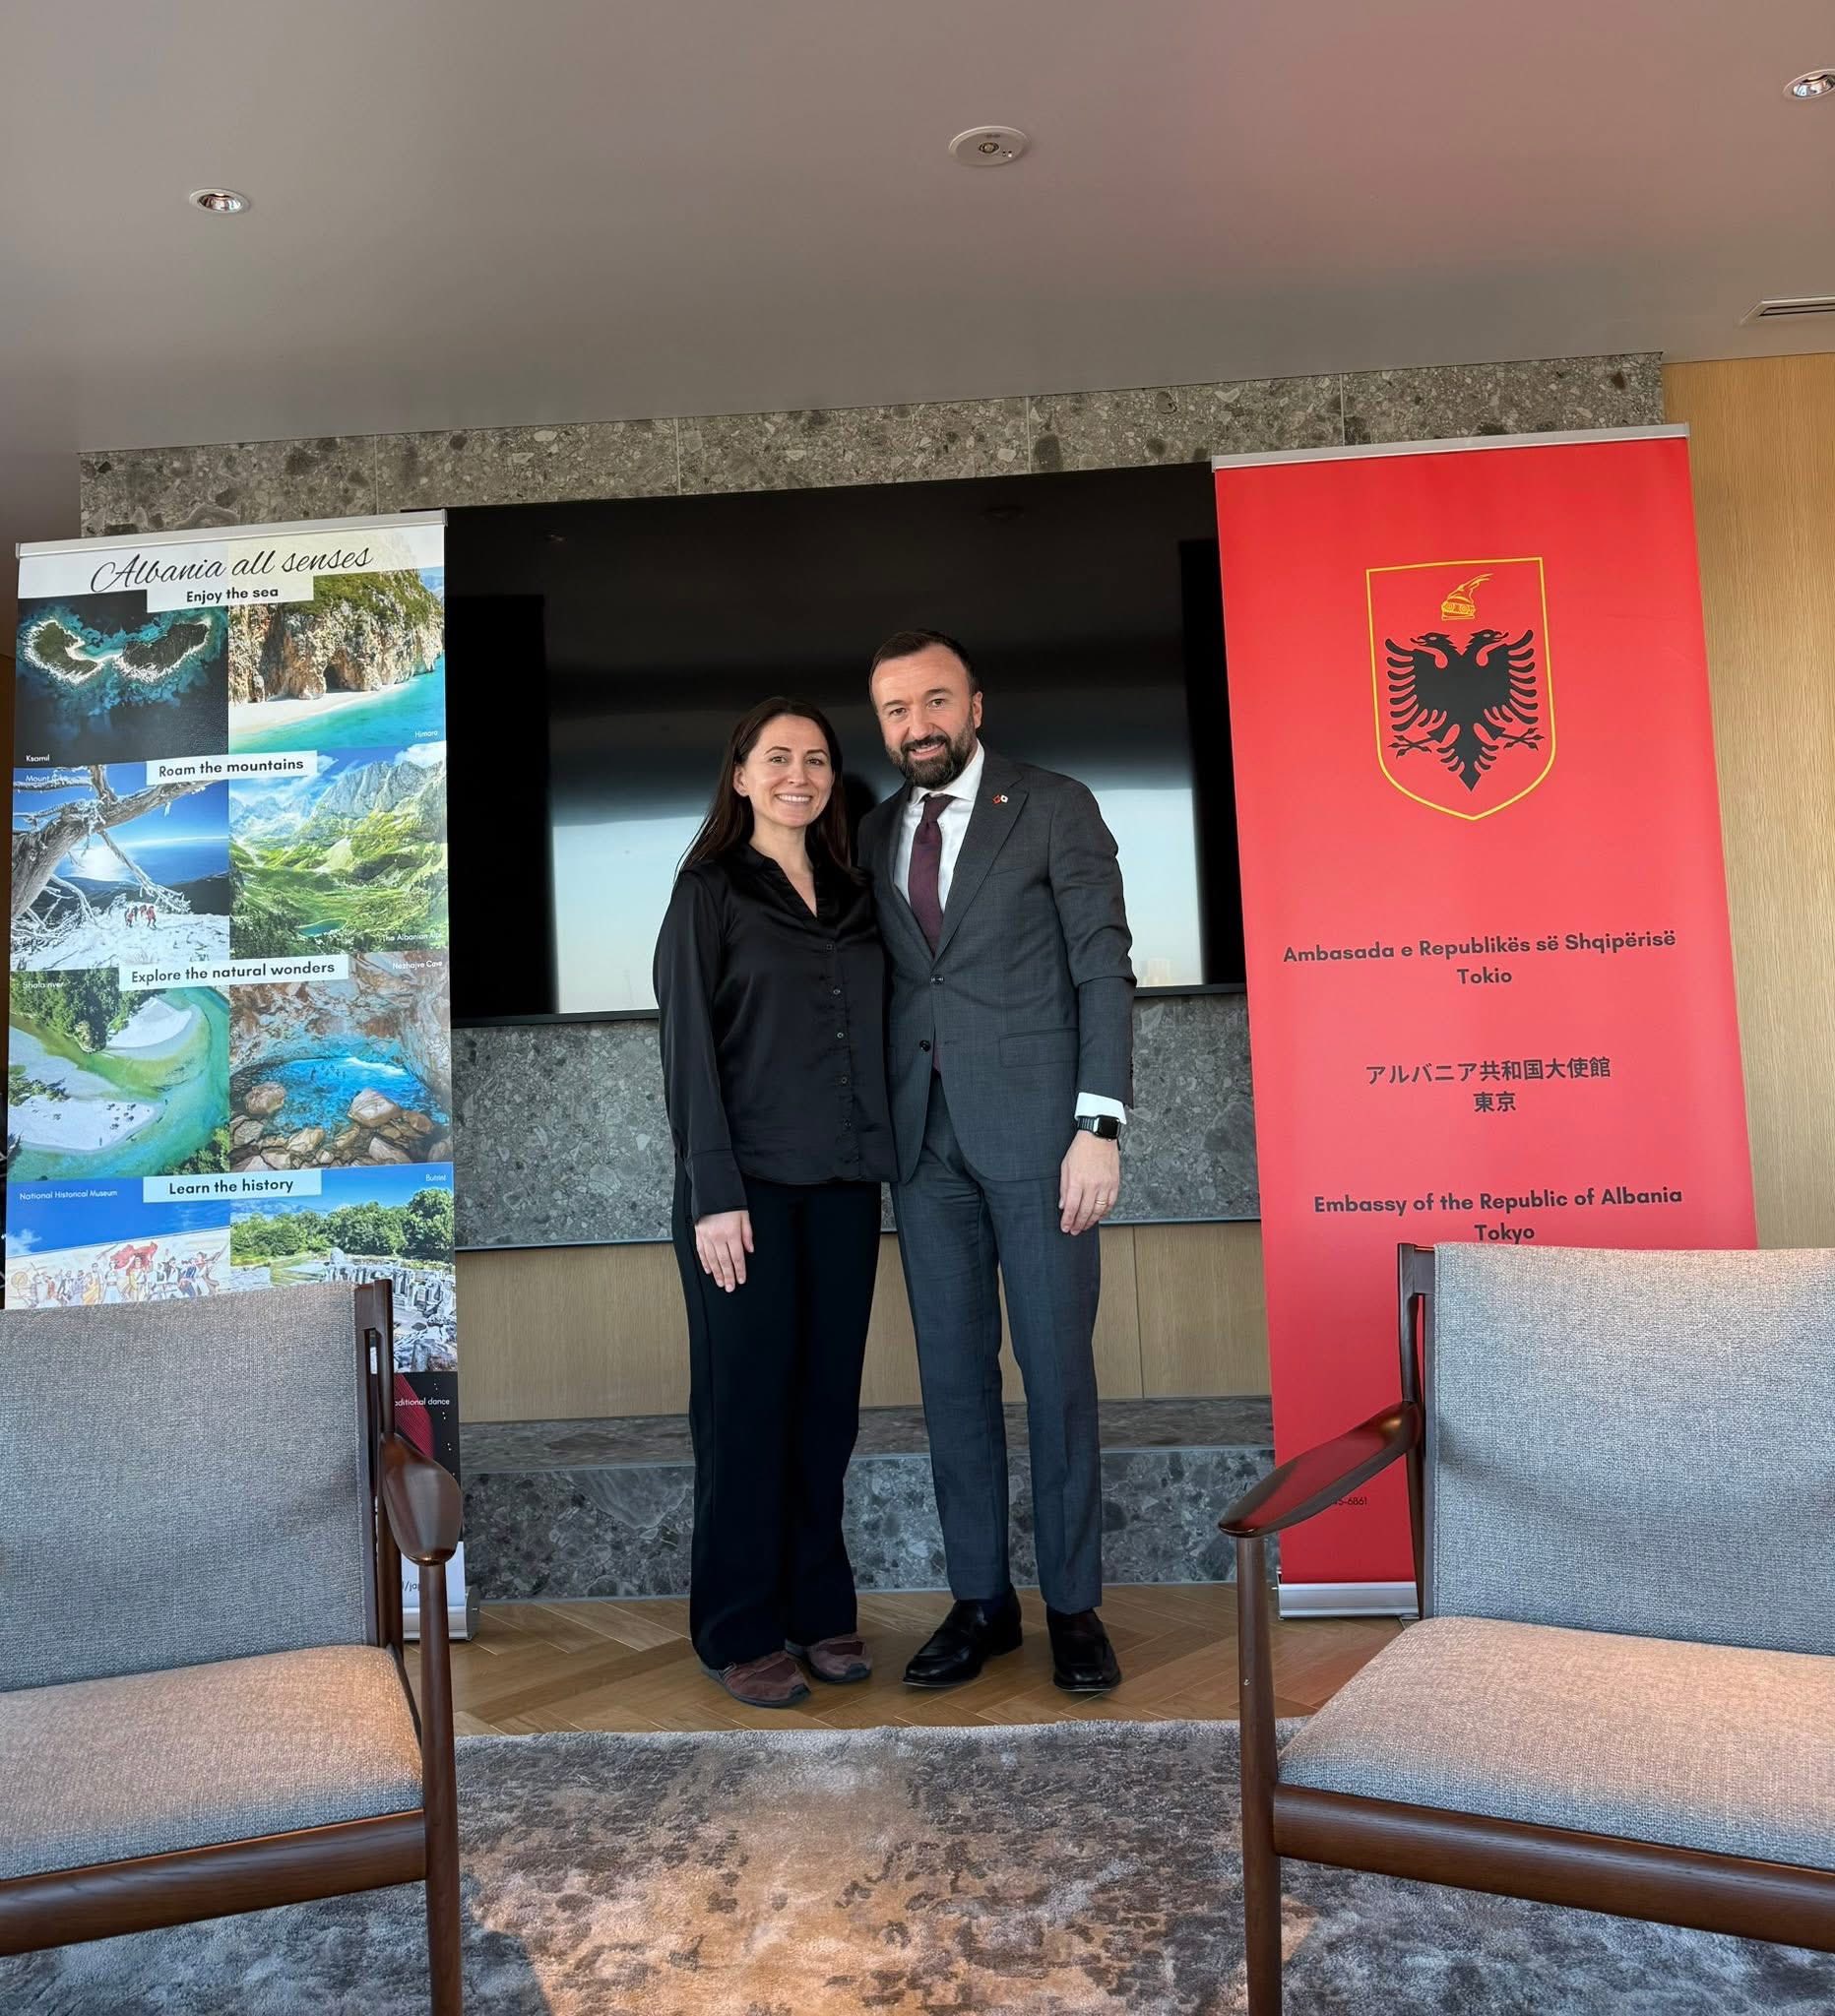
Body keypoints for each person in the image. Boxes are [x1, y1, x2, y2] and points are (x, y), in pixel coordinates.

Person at [859, 630, 1134, 1694]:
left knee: (1057, 1372)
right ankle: (982, 1600)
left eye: (935, 700)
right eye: (895, 709)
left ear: (976, 703)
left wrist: (1098, 1128)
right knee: (951, 1378)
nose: (917, 724)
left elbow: (1102, 968)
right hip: (923, 1148)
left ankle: (1072, 1603)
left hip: (1045, 1143)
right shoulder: (872, 830)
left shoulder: (1055, 806)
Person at [654, 697, 897, 1709]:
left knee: (824, 1410)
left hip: (843, 1182)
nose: (799, 774)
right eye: (778, 757)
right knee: (746, 1411)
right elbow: (687, 1048)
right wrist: (712, 1192)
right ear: (742, 774)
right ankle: (739, 1627)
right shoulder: (708, 890)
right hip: (741, 1195)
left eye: (817, 759)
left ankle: (816, 1604)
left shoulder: (857, 892)